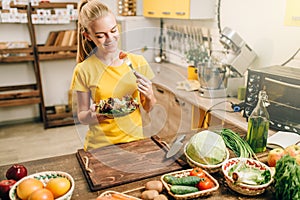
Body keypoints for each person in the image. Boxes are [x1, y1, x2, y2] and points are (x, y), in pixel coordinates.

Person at [70, 0, 156, 151]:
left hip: (135, 143)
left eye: (113, 30)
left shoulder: (138, 62)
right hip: (100, 147)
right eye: (101, 35)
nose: (110, 38)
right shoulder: (83, 69)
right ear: (88, 36)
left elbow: (148, 108)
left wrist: (150, 96)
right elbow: (82, 116)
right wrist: (93, 115)